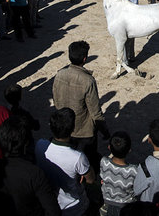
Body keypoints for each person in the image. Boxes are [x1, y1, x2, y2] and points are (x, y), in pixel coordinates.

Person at [52, 41, 110, 174]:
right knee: (87, 164)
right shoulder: (88, 80)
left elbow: (56, 100)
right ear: (85, 59)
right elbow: (95, 112)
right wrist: (105, 132)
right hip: (84, 132)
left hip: (64, 129)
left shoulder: (59, 75)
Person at [37, 108, 95, 215]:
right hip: (75, 206)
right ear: (73, 128)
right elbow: (90, 179)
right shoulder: (78, 157)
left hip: (51, 203)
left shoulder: (40, 146)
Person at [99, 131, 138, 216]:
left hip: (106, 203)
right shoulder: (134, 170)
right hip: (127, 206)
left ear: (109, 147)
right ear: (129, 150)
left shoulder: (103, 162)